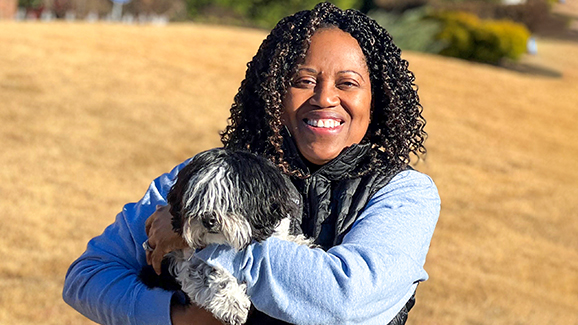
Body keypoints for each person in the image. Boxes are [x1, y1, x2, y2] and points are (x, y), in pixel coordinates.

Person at [63, 2, 440, 324]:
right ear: (273, 90)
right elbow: (87, 277)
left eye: (348, 83)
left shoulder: (403, 193)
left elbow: (345, 300)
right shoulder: (205, 177)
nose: (325, 98)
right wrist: (177, 317)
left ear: (378, 100)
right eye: (303, 80)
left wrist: (200, 238)